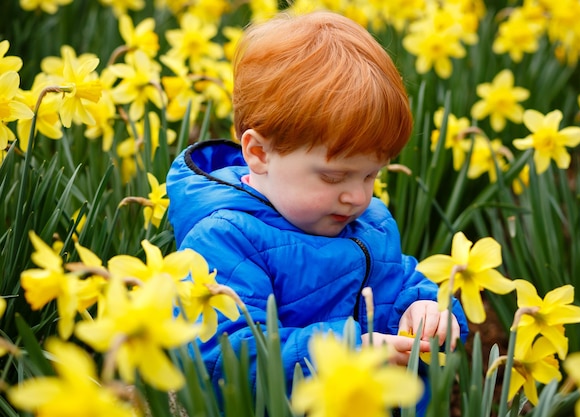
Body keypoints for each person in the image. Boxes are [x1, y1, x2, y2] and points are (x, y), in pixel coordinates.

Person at [166, 10, 469, 415]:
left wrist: (427, 309)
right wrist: (344, 353)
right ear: (258, 153)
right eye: (334, 177)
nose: (357, 197)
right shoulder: (224, 239)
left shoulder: (369, 223)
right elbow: (225, 354)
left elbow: (398, 283)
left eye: (371, 175)